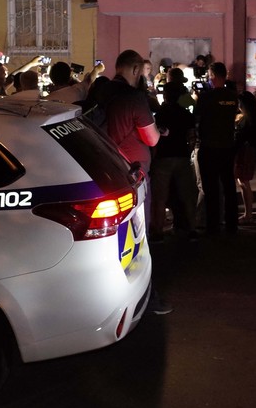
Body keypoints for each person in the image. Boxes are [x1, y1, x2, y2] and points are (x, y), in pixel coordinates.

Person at [93, 50, 170, 314]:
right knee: (139, 240)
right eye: (143, 73)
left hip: (102, 173)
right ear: (136, 70)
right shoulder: (134, 98)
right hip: (132, 177)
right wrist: (159, 130)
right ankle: (145, 298)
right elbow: (152, 139)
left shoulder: (100, 90)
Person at [194, 62, 240, 235]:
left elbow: (197, 119)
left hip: (209, 146)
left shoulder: (206, 97)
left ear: (212, 75)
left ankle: (212, 226)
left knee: (211, 188)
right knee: (229, 186)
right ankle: (231, 225)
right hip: (227, 146)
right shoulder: (233, 97)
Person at [150, 81, 199, 242]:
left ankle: (158, 231)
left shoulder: (160, 114)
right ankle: (192, 228)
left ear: (165, 95)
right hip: (182, 157)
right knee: (187, 195)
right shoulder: (186, 114)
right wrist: (188, 152)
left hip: (163, 158)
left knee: (160, 197)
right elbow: (192, 137)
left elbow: (154, 138)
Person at [235, 90, 256, 224]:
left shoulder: (245, 120)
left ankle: (248, 214)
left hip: (243, 153)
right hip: (249, 152)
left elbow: (239, 138)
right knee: (244, 182)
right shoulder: (253, 118)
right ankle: (248, 213)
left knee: (244, 183)